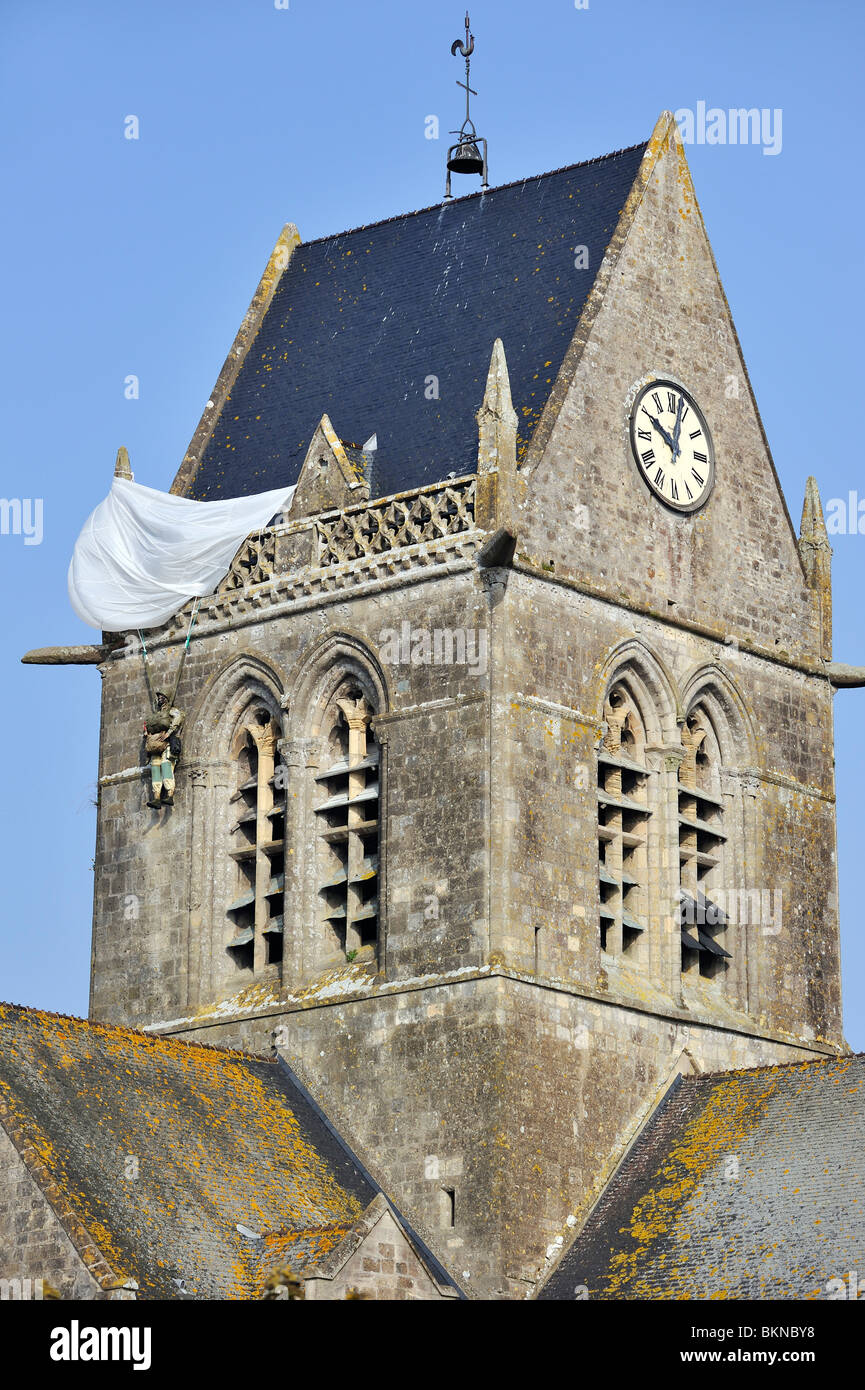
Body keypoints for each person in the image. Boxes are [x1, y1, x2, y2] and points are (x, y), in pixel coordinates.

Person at [144, 692, 185, 809]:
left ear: (167, 699)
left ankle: (169, 794)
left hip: (167, 744)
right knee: (155, 768)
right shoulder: (156, 715)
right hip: (155, 745)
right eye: (159, 698)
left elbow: (178, 718)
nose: (160, 699)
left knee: (166, 766)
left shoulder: (172, 711)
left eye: (162, 697)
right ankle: (156, 797)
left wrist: (168, 733)